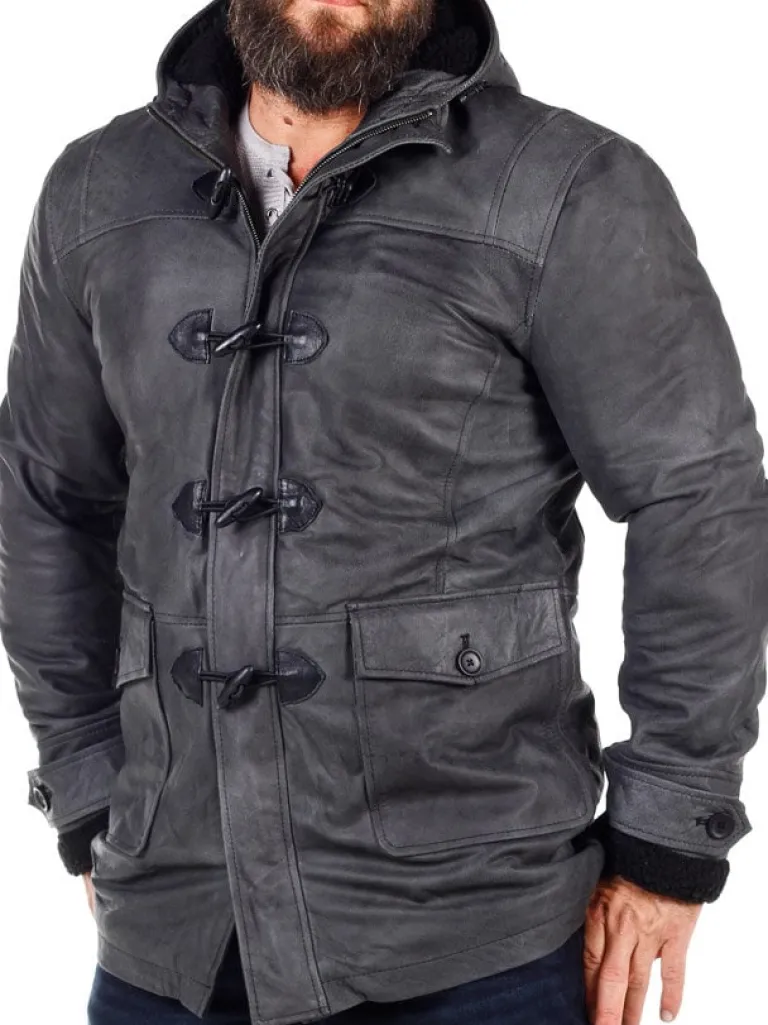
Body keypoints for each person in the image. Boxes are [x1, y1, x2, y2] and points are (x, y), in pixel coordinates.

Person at [1, 1, 766, 1023]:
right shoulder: (98, 189)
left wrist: (670, 831)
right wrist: (88, 781)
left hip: (475, 936)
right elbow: (44, 499)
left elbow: (698, 493)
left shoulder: (563, 185)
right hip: (174, 928)